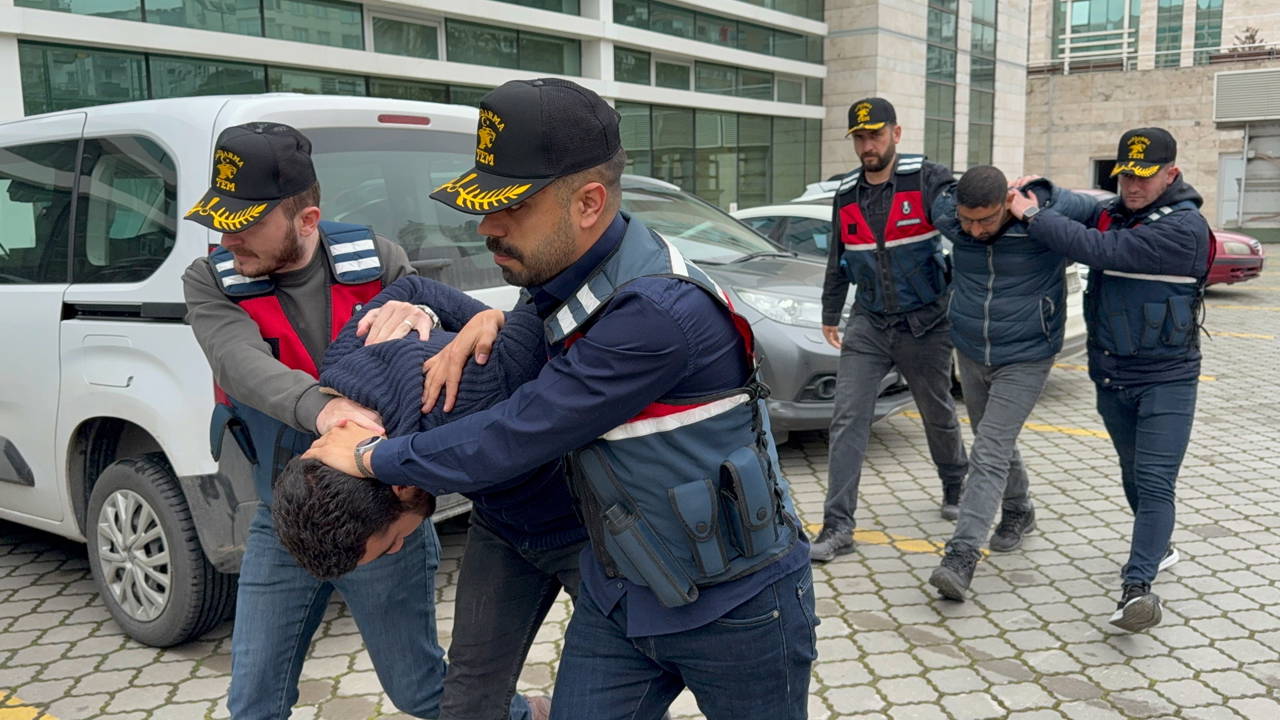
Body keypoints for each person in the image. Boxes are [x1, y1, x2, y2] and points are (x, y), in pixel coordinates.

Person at [305, 78, 816, 720]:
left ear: (587, 203)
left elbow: (517, 433)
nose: (487, 227)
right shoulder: (564, 274)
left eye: (510, 207)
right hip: (623, 594)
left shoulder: (656, 311)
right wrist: (473, 319)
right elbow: (525, 347)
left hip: (736, 609)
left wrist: (375, 458)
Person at [182, 123, 541, 720]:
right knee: (252, 701)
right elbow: (237, 362)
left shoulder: (377, 261)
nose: (226, 236)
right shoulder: (211, 278)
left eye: (244, 221)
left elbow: (437, 349)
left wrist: (481, 323)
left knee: (421, 691)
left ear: (306, 218)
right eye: (219, 219)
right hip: (285, 516)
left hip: (383, 510)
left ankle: (535, 714)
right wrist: (327, 409)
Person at [274, 274, 582, 720]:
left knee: (603, 695)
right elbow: (416, 292)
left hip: (587, 532)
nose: (400, 546)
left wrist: (490, 320)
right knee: (466, 702)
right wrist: (481, 318)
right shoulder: (342, 365)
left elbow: (546, 299)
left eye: (389, 542)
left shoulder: (462, 394)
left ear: (397, 484)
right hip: (506, 529)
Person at [1008, 127, 1209, 632]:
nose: (1132, 186)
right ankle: (1158, 544)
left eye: (1143, 177)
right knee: (1131, 470)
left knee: (1156, 480)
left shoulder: (1184, 229)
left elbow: (1099, 248)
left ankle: (1137, 588)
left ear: (1172, 174)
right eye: (1124, 176)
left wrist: (1032, 215)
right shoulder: (1119, 209)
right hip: (1113, 375)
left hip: (1169, 378)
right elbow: (1080, 205)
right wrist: (1045, 191)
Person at [926, 166, 1099, 601]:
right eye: (968, 221)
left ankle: (961, 555)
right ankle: (1019, 509)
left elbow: (1096, 208)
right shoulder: (953, 215)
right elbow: (936, 195)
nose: (975, 229)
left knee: (988, 450)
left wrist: (1041, 195)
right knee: (992, 439)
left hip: (1027, 352)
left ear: (1006, 202)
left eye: (985, 220)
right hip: (971, 347)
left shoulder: (1035, 214)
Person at [812, 97, 969, 562]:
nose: (867, 145)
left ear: (896, 135)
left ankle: (955, 482)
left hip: (926, 322)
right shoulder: (846, 195)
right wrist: (829, 312)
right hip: (869, 323)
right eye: (860, 137)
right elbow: (838, 260)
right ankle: (838, 525)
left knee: (937, 408)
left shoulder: (928, 179)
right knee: (847, 419)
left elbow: (968, 230)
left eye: (875, 135)